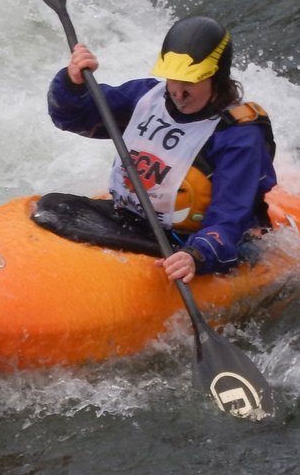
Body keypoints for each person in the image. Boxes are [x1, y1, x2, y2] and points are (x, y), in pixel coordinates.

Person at [48, 15, 277, 284]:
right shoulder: (145, 97)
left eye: (190, 81)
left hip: (195, 240)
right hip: (133, 221)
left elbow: (229, 217)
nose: (178, 93)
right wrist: (72, 84)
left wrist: (197, 254)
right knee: (52, 207)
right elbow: (71, 118)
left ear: (217, 76)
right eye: (173, 79)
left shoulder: (239, 135)